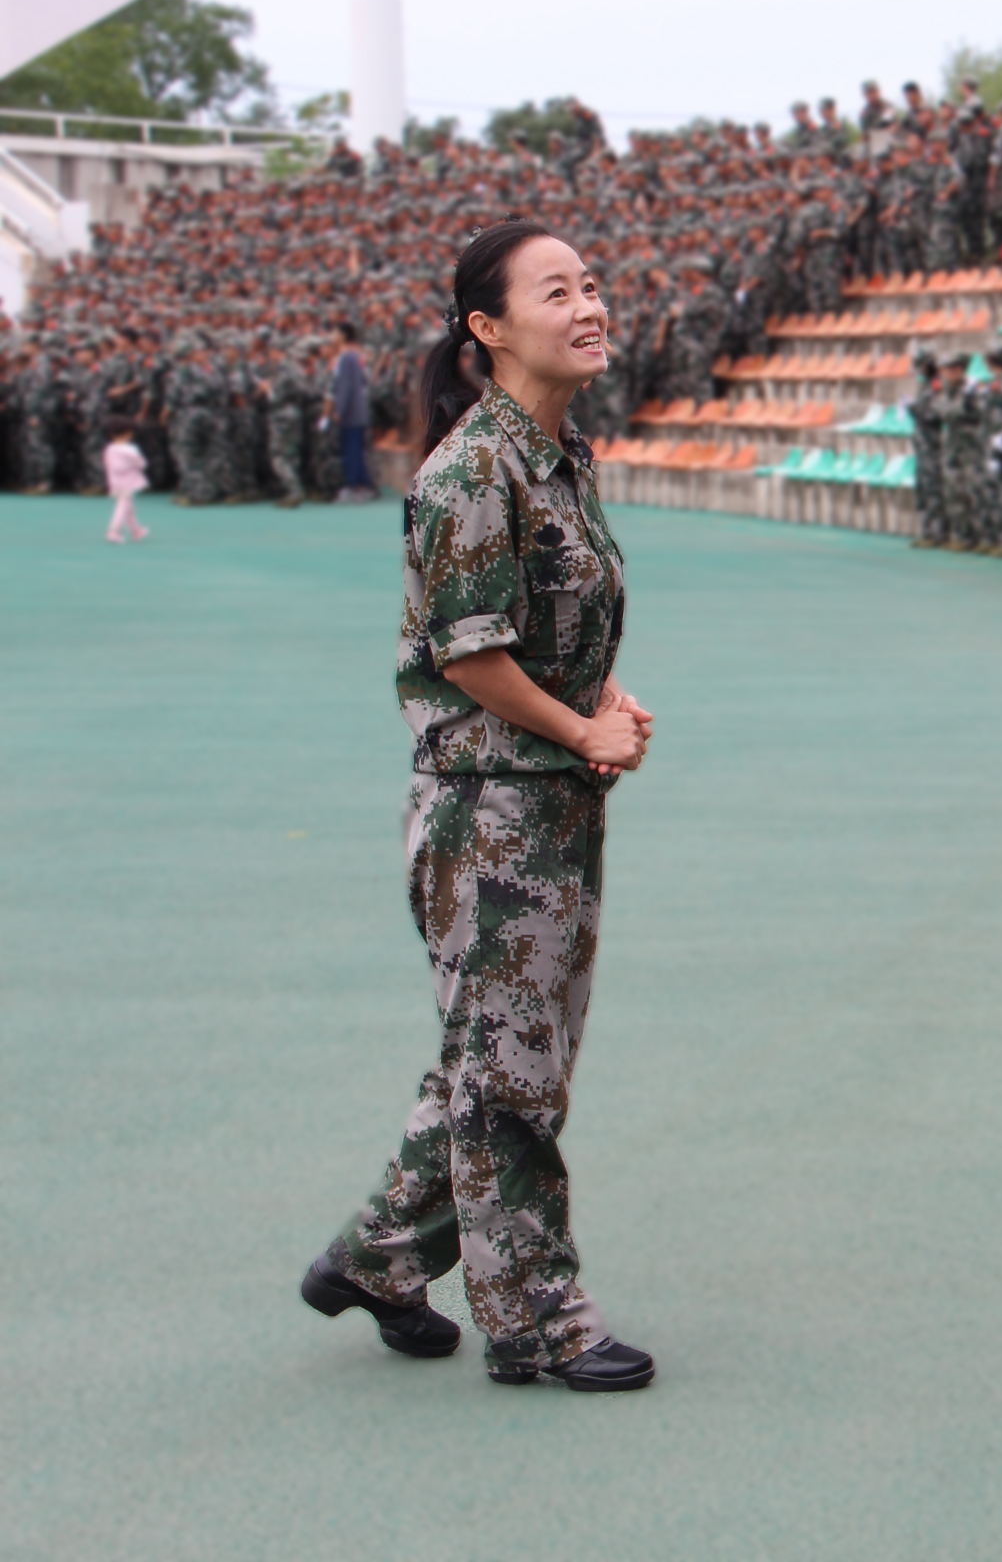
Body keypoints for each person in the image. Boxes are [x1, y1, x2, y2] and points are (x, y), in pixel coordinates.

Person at [304, 219, 657, 1394]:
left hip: (548, 802)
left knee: (499, 1057)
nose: (588, 307)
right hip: (489, 812)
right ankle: (537, 1319)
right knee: (510, 1078)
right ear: (488, 328)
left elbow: (557, 622)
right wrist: (580, 729)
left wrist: (602, 697)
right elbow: (470, 654)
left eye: (591, 285)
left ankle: (379, 1258)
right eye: (557, 292)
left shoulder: (559, 455)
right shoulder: (470, 471)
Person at [332, 322, 376, 503]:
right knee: (356, 448)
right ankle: (364, 484)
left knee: (351, 449)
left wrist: (339, 409)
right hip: (359, 410)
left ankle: (354, 486)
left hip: (351, 412)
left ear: (343, 335)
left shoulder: (346, 357)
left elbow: (345, 386)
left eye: (335, 332)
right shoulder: (355, 356)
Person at [102, 416, 148, 543]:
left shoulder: (109, 449)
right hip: (127, 483)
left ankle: (136, 530)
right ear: (128, 433)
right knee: (122, 507)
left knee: (128, 507)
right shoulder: (129, 450)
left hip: (115, 482)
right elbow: (141, 463)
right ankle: (113, 531)